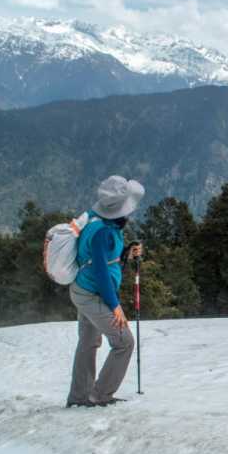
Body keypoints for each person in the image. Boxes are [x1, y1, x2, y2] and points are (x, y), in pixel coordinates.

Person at [66, 175, 145, 408]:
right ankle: (100, 396)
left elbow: (102, 259)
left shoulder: (95, 220)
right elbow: (101, 272)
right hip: (93, 294)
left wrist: (125, 254)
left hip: (81, 290)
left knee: (88, 341)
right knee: (124, 342)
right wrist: (115, 305)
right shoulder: (104, 231)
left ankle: (79, 397)